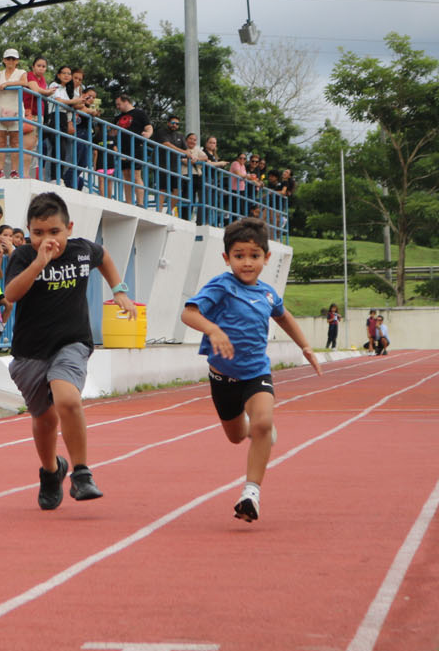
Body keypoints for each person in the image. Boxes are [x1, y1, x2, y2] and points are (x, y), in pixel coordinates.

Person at [181, 217, 321, 523]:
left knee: (263, 423)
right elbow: (189, 314)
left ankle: (251, 493)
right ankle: (255, 428)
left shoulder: (268, 294)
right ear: (226, 257)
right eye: (239, 256)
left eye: (254, 256)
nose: (247, 263)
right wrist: (213, 330)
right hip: (222, 378)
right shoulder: (221, 286)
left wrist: (305, 346)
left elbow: (283, 317)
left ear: (266, 258)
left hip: (257, 373)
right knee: (236, 436)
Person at [4, 191, 136, 510]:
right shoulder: (23, 256)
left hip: (72, 343)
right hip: (31, 351)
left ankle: (81, 472)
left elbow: (103, 256)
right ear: (29, 232)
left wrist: (119, 290)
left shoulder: (82, 251)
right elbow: (11, 294)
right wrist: (39, 262)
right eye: (38, 233)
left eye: (55, 231)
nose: (47, 239)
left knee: (67, 399)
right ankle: (51, 471)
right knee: (44, 420)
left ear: (69, 228)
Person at [0, 49, 30, 178]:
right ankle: (0, 170)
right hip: (0, 108)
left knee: (15, 142)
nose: (10, 61)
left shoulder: (21, 72)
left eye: (13, 59)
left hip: (16, 109)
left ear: (17, 61)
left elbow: (25, 83)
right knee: (0, 141)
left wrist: (7, 84)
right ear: (4, 60)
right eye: (8, 58)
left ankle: (14, 171)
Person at [112, 93, 153, 208]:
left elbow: (149, 127)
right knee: (126, 175)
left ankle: (140, 203)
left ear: (126, 102)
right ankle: (129, 202)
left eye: (119, 104)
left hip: (135, 147)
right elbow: (113, 133)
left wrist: (148, 134)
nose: (118, 107)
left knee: (136, 175)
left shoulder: (139, 113)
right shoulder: (117, 118)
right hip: (122, 148)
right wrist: (115, 147)